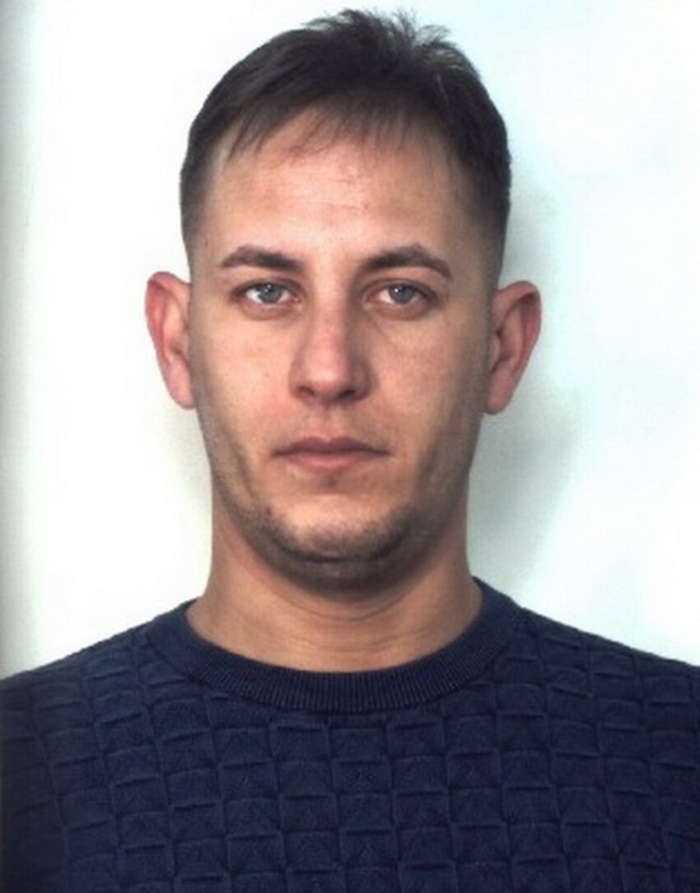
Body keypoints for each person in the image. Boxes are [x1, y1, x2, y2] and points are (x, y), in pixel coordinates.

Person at [2, 9, 699, 892]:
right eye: (267, 291)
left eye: (400, 292)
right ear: (178, 342)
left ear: (502, 348)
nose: (328, 369)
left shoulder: (681, 760)